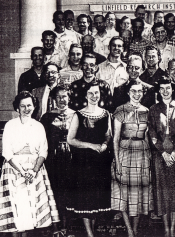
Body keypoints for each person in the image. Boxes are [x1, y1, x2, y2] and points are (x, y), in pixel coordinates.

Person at [0, 91, 59, 236]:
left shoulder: (38, 126)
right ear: (17, 108)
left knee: (31, 209)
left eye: (29, 105)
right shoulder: (10, 125)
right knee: (17, 205)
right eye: (22, 106)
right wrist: (23, 172)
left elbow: (43, 151)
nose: (26, 109)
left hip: (35, 169)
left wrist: (34, 171)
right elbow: (7, 152)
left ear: (34, 106)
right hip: (14, 169)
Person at [67, 80, 112, 237]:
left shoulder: (106, 114)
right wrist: (91, 146)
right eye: (91, 93)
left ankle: (91, 231)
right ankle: (89, 234)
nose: (94, 96)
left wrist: (105, 144)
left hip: (100, 163)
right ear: (85, 96)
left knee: (96, 199)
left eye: (96, 93)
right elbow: (71, 140)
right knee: (85, 199)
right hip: (83, 162)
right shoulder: (77, 115)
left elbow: (108, 135)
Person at [111, 79, 153, 237]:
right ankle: (129, 229)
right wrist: (117, 161)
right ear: (128, 92)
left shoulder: (146, 110)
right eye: (133, 91)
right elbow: (115, 138)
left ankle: (135, 229)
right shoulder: (120, 110)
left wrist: (148, 157)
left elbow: (148, 136)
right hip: (124, 152)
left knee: (139, 193)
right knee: (123, 193)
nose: (137, 94)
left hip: (141, 153)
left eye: (139, 91)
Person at [148, 76, 175, 237]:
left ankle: (173, 228)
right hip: (160, 155)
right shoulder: (153, 109)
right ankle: (166, 230)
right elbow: (151, 133)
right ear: (158, 91)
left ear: (173, 89)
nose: (165, 91)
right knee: (162, 192)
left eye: (168, 88)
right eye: (162, 88)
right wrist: (163, 152)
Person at [40, 84, 75, 235]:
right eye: (59, 97)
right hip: (53, 158)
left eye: (65, 96)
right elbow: (42, 139)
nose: (62, 100)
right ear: (54, 99)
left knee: (69, 191)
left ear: (69, 97)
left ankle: (67, 226)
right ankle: (55, 227)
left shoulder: (76, 115)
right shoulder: (46, 117)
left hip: (71, 157)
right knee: (54, 191)